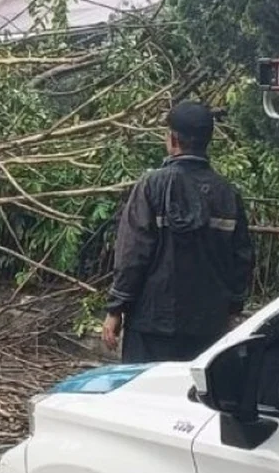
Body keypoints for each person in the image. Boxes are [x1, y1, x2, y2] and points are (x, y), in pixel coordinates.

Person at [102, 101, 255, 364]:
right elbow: (242, 259)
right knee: (190, 399)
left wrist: (116, 308)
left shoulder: (151, 186)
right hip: (208, 327)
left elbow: (133, 253)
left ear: (173, 139)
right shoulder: (227, 193)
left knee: (144, 396)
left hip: (152, 325)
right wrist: (232, 309)